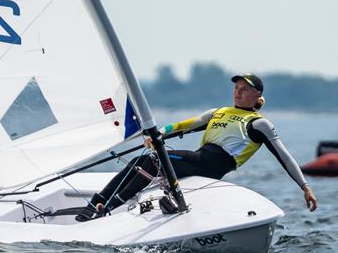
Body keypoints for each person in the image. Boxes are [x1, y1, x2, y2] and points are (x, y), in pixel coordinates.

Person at [75, 74, 318, 222]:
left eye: (244, 89)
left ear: (257, 95)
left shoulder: (259, 123)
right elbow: (183, 125)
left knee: (154, 161)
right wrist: (158, 133)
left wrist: (305, 188)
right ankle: (97, 203)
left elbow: (284, 157)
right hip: (197, 158)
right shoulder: (218, 112)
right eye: (236, 88)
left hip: (212, 166)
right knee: (142, 161)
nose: (238, 92)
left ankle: (106, 208)